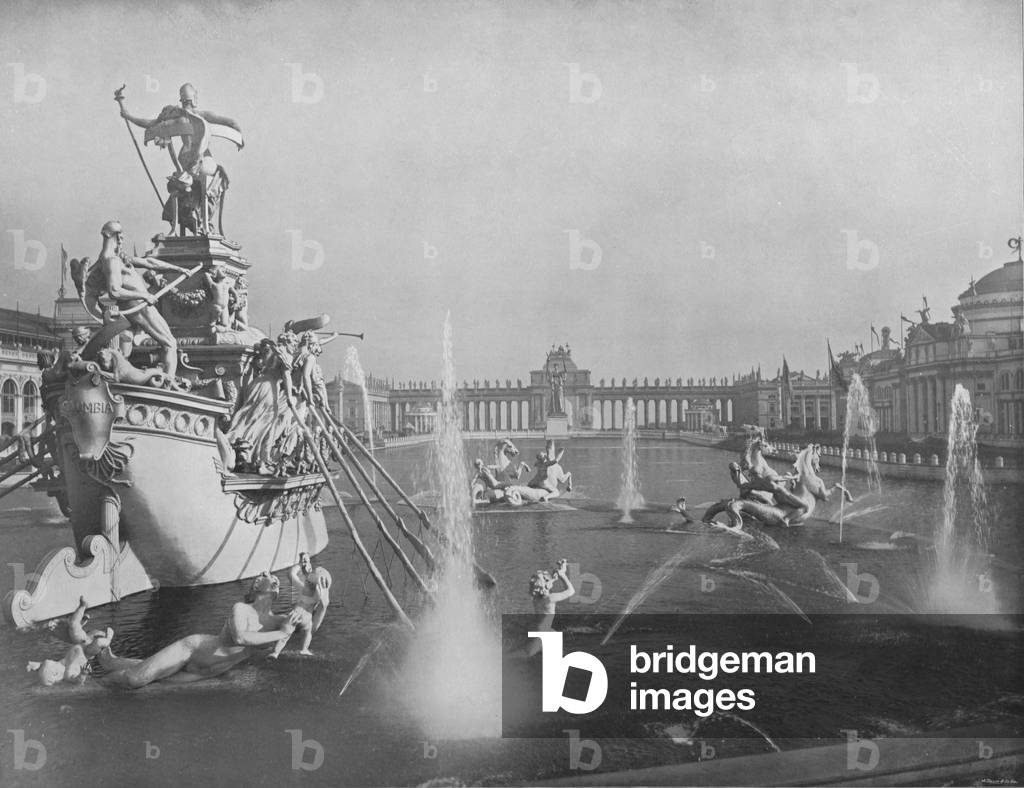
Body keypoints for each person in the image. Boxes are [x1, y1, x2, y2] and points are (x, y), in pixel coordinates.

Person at [95, 573, 300, 688]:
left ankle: (108, 660)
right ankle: (91, 687)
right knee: (135, 679)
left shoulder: (279, 621)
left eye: (270, 576)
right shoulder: (241, 609)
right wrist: (283, 634)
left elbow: (309, 621)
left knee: (151, 675)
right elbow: (239, 638)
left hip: (207, 671)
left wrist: (307, 609)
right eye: (262, 576)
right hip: (192, 650)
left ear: (276, 590)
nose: (264, 575)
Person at [93, 220, 191, 381]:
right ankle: (168, 385)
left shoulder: (118, 258)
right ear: (116, 237)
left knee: (126, 348)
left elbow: (149, 262)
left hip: (135, 307)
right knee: (170, 343)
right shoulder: (112, 261)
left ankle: (122, 380)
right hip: (139, 306)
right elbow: (114, 291)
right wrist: (144, 295)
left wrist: (177, 269)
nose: (122, 240)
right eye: (121, 237)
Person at [28, 597, 113, 687]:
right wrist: (83, 673)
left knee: (73, 625)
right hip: (88, 652)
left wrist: (32, 665)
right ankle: (108, 639)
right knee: (99, 642)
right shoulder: (68, 674)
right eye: (52, 663)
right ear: (55, 674)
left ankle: (83, 606)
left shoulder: (60, 664)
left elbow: (41, 665)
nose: (53, 661)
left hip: (81, 642)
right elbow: (78, 681)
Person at [270, 553, 332, 658]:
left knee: (285, 634)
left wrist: (300, 565)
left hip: (295, 614)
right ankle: (304, 649)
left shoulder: (302, 589)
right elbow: (322, 598)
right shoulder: (317, 596)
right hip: (307, 618)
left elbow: (292, 574)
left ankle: (275, 653)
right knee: (308, 632)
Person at [525, 559, 575, 657]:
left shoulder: (535, 597)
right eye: (546, 579)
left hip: (541, 629)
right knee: (527, 654)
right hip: (543, 634)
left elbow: (545, 585)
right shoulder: (550, 598)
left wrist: (557, 575)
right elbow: (571, 590)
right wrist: (562, 575)